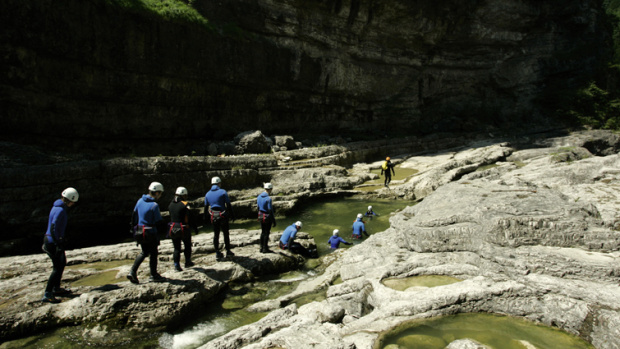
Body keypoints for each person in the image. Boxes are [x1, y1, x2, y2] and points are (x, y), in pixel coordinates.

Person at [41, 187, 79, 303]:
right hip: (52, 242)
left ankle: (56, 288)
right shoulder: (60, 210)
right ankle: (48, 293)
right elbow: (54, 227)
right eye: (73, 202)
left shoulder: (57, 207)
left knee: (62, 263)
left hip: (53, 241)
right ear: (70, 200)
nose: (73, 204)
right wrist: (58, 243)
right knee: (57, 267)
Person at [127, 182, 165, 284]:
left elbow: (134, 215)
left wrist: (133, 229)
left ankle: (132, 271)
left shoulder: (139, 201)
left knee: (144, 252)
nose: (160, 195)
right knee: (153, 253)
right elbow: (158, 221)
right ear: (156, 193)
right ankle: (153, 275)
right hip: (150, 232)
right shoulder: (154, 205)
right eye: (160, 193)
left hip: (140, 231)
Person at [204, 176, 235, 260]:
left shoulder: (207, 194)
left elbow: (206, 207)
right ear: (218, 183)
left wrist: (205, 218)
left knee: (216, 234)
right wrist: (232, 215)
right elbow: (228, 205)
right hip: (223, 215)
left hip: (213, 216)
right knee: (225, 233)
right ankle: (228, 251)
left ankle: (217, 252)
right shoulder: (223, 192)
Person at [168, 186, 198, 271]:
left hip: (173, 228)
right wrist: (195, 228)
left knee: (176, 248)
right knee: (187, 245)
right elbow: (190, 217)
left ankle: (176, 265)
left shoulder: (171, 205)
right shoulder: (185, 205)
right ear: (183, 195)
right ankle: (187, 262)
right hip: (184, 228)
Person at [257, 183, 276, 253]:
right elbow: (270, 210)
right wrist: (273, 220)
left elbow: (258, 207)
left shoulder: (259, 197)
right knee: (266, 232)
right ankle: (265, 248)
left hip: (260, 215)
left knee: (262, 232)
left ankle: (261, 247)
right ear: (270, 189)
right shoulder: (268, 199)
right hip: (267, 216)